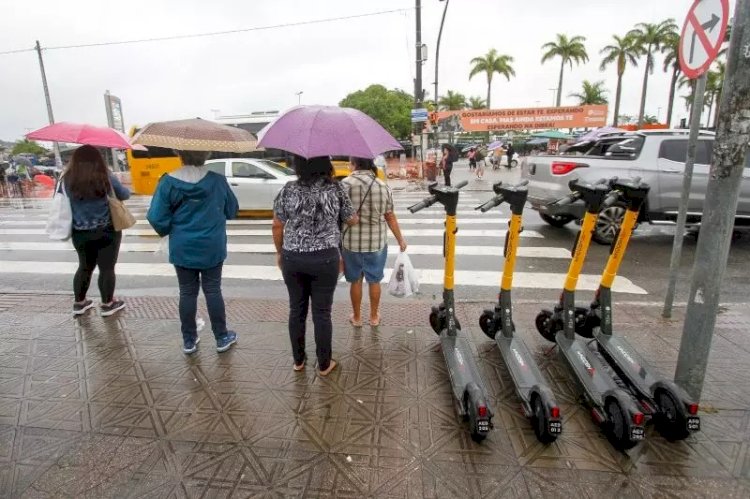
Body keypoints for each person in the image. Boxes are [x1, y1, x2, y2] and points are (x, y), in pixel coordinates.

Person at [147, 150, 240, 355]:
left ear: (180, 155)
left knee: (187, 292)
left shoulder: (168, 182)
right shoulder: (217, 181)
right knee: (213, 290)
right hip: (212, 245)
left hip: (182, 246)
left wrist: (171, 229)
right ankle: (222, 337)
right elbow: (232, 209)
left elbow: (155, 216)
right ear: (205, 155)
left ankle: (189, 340)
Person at [273, 156, 358, 376]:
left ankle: (298, 361)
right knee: (322, 313)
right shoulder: (336, 189)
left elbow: (277, 225)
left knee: (296, 310)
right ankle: (323, 364)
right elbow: (351, 219)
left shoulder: (288, 189)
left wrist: (280, 252)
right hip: (325, 258)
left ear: (298, 165)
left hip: (293, 257)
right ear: (325, 165)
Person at [61, 145, 130, 317]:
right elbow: (124, 194)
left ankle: (80, 303)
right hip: (106, 229)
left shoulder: (67, 177)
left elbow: (61, 199)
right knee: (107, 268)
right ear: (97, 158)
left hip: (80, 232)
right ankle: (107, 304)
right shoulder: (104, 174)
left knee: (84, 266)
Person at [342, 157, 407, 328]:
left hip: (351, 242)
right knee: (374, 280)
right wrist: (400, 239)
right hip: (376, 242)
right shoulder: (382, 185)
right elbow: (389, 215)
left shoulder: (344, 185)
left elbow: (337, 213)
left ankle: (356, 318)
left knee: (355, 281)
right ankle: (374, 317)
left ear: (354, 164)